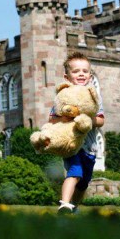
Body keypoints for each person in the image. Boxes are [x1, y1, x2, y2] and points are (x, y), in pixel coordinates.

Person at [49, 52, 105, 214]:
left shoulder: (94, 96)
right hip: (71, 144)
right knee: (75, 172)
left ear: (90, 75)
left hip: (90, 147)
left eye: (85, 71)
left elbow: (101, 120)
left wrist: (86, 120)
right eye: (76, 71)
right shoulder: (63, 95)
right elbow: (53, 120)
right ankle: (64, 204)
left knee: (84, 182)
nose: (81, 74)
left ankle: (74, 205)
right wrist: (68, 118)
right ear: (67, 77)